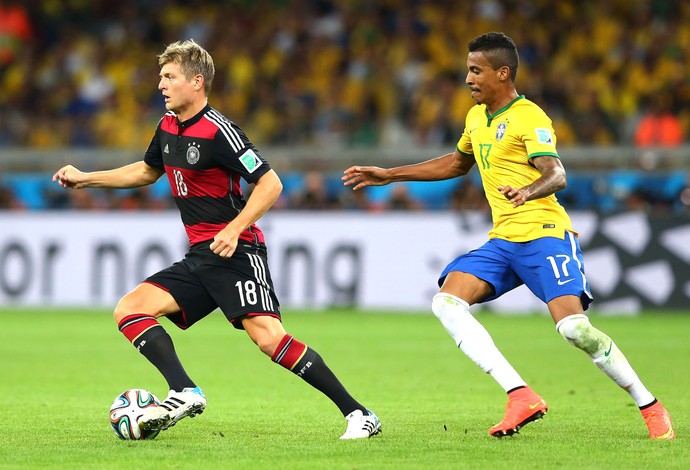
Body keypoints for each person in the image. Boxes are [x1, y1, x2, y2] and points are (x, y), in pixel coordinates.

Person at [343, 32, 674, 440]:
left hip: (545, 234)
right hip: (503, 241)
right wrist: (390, 174)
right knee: (446, 301)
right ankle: (520, 395)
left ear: (503, 73)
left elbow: (557, 173)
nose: (468, 78)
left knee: (575, 330)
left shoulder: (529, 116)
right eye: (468, 70)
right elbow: (456, 164)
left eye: (476, 70)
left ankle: (650, 405)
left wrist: (528, 191)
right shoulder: (476, 118)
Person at [53, 39, 380, 440]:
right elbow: (146, 170)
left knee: (268, 339)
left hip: (237, 252)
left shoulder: (220, 131)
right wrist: (86, 177)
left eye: (169, 77)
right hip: (200, 255)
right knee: (130, 309)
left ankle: (360, 414)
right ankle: (183, 390)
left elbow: (270, 183)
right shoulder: (167, 127)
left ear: (196, 82)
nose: (161, 84)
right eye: (160, 77)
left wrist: (235, 227)